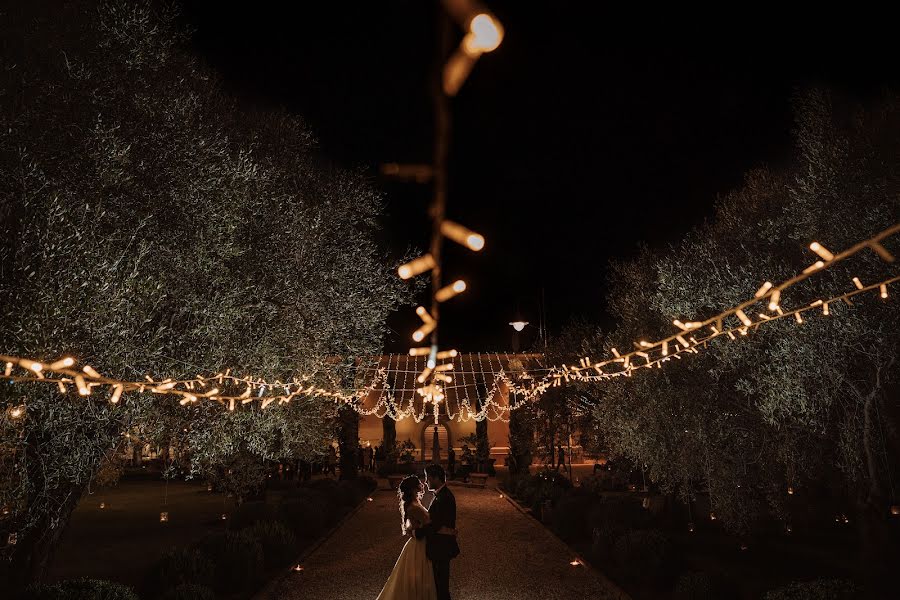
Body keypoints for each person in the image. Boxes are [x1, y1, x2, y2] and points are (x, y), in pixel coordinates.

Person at [375, 475, 438, 600]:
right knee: (419, 576)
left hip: (418, 542)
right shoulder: (414, 507)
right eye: (420, 483)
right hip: (420, 544)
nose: (423, 484)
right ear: (414, 489)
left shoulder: (414, 503)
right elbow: (430, 524)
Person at [416, 464, 459, 600]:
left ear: (436, 478)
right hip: (442, 546)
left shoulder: (444, 498)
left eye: (428, 478)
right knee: (440, 583)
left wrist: (417, 533)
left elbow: (434, 524)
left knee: (441, 585)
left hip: (441, 547)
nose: (426, 482)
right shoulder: (443, 495)